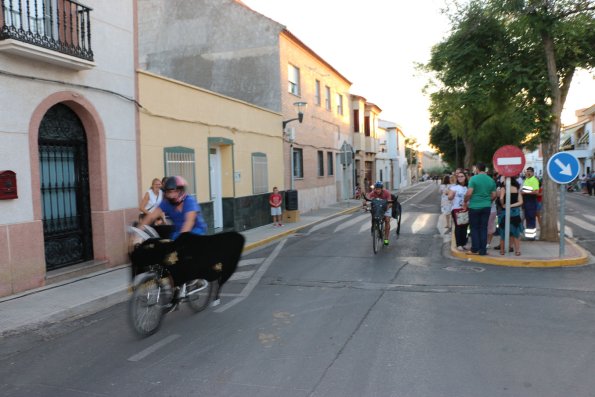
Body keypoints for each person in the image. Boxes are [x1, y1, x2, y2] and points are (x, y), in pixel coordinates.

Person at [140, 176, 207, 239]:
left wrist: (178, 242)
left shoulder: (189, 201)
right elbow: (151, 216)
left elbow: (189, 222)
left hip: (197, 232)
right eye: (169, 192)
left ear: (181, 191)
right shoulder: (167, 203)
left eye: (175, 191)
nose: (172, 195)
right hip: (178, 232)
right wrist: (138, 232)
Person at [463, 163, 497, 255]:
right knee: (483, 228)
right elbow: (494, 195)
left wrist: (465, 201)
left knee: (474, 228)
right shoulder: (491, 180)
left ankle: (475, 249)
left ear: (477, 169)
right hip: (486, 207)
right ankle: (483, 250)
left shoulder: (473, 179)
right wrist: (488, 201)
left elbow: (469, 193)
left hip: (474, 207)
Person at [497, 177, 524, 256]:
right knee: (516, 232)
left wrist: (504, 205)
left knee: (503, 232)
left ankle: (502, 250)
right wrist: (511, 205)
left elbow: (501, 198)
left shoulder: (503, 188)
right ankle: (517, 251)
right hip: (515, 212)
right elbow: (521, 202)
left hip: (504, 213)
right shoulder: (517, 188)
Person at [366, 181, 392, 246]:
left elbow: (390, 202)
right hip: (377, 208)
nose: (377, 190)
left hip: (386, 208)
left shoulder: (386, 193)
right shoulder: (373, 193)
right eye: (376, 189)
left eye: (379, 189)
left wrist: (387, 208)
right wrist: (365, 203)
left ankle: (386, 238)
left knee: (387, 220)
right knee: (373, 214)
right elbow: (368, 198)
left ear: (382, 188)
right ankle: (374, 226)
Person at [448, 171, 468, 251]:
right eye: (458, 176)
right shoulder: (454, 187)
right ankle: (459, 244)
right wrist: (451, 195)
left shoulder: (468, 187)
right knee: (459, 226)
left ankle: (464, 243)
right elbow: (449, 197)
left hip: (466, 209)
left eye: (462, 176)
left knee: (465, 226)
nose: (460, 178)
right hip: (456, 209)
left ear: (465, 177)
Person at [521, 166, 540, 240]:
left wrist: (524, 192)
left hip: (531, 201)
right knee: (528, 219)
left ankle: (531, 237)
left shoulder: (534, 180)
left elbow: (536, 192)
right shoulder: (526, 180)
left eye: (529, 171)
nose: (528, 172)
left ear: (532, 172)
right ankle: (529, 236)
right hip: (526, 202)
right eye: (527, 171)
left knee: (531, 219)